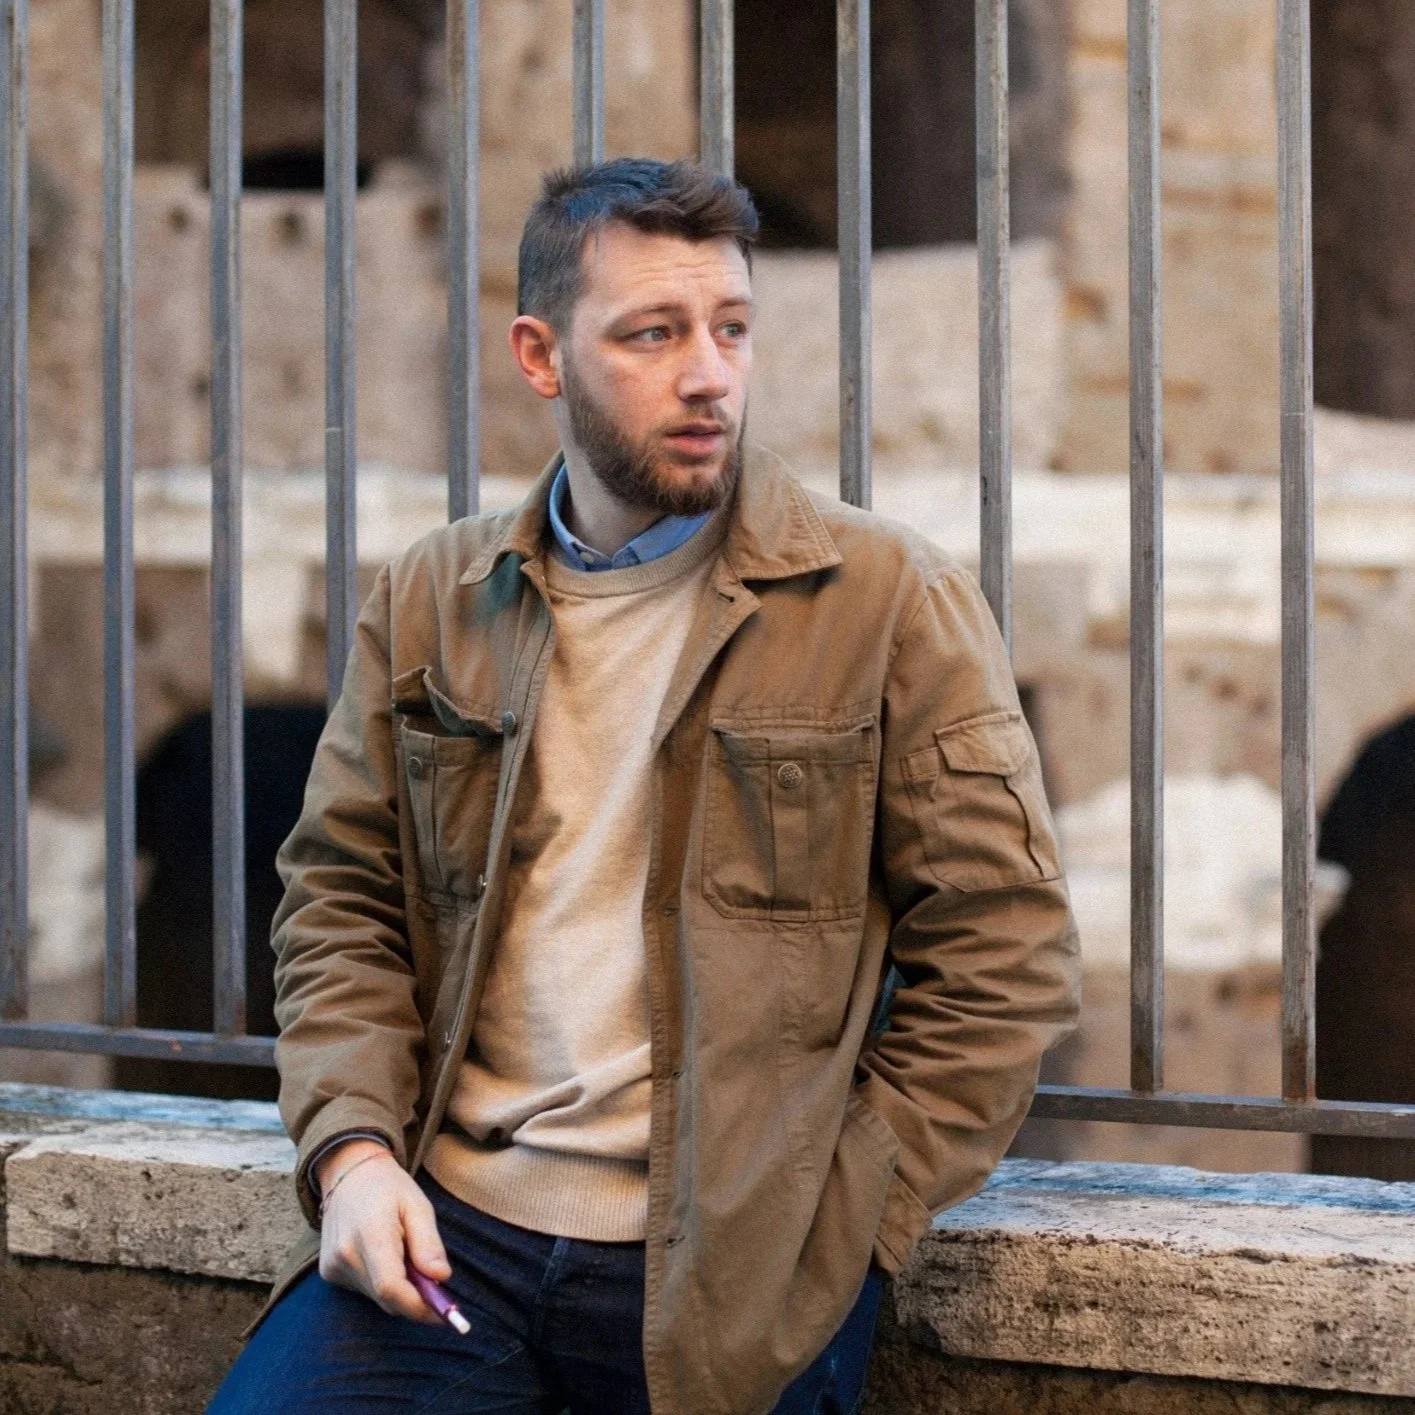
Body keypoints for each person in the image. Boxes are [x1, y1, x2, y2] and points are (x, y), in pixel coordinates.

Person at [208, 158, 1080, 1415]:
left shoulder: (889, 599)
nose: (708, 374)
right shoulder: (430, 598)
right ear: (540, 354)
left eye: (729, 327)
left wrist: (852, 1217)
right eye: (652, 334)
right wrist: (349, 1154)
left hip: (736, 1272)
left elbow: (1005, 948)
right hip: (454, 1234)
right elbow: (341, 897)